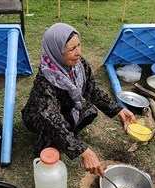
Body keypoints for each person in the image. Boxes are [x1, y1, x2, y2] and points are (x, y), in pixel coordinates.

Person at [21, 23, 136, 177]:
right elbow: (51, 118)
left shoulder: (79, 66)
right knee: (51, 131)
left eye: (79, 46)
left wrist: (118, 109)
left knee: (88, 110)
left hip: (63, 108)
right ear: (56, 51)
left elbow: (92, 90)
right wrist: (83, 151)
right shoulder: (46, 79)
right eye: (71, 49)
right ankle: (51, 144)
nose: (78, 52)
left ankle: (67, 136)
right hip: (40, 115)